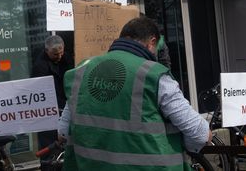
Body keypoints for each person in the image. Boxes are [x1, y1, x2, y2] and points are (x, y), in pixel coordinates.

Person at [58, 16, 211, 170]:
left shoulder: (81, 71)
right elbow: (200, 133)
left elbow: (63, 132)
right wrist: (188, 147)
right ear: (152, 42)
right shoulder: (153, 74)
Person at [32, 35, 73, 170]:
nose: (59, 56)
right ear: (46, 51)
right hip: (50, 109)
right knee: (49, 146)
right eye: (55, 54)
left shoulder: (66, 58)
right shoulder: (40, 66)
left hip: (65, 104)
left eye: (61, 52)